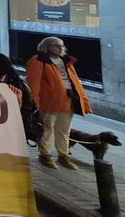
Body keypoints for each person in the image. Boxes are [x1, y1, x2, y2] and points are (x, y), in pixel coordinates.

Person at [27, 37, 92, 170]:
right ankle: (45, 154)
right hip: (49, 101)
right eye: (56, 46)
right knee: (47, 129)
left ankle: (63, 155)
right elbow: (34, 84)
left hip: (68, 100)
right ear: (47, 46)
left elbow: (75, 81)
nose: (60, 48)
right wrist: (35, 103)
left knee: (64, 130)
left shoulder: (66, 60)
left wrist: (83, 99)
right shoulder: (38, 60)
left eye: (61, 46)